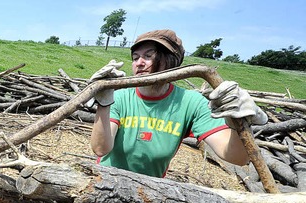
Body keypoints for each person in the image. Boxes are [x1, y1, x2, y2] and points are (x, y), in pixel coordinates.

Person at [89, 29, 268, 178]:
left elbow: (238, 157)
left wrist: (239, 122)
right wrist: (104, 104)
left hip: (151, 192)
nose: (139, 64)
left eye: (148, 56)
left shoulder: (190, 103)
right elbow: (100, 149)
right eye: (135, 58)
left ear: (171, 61)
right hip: (106, 182)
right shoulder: (120, 96)